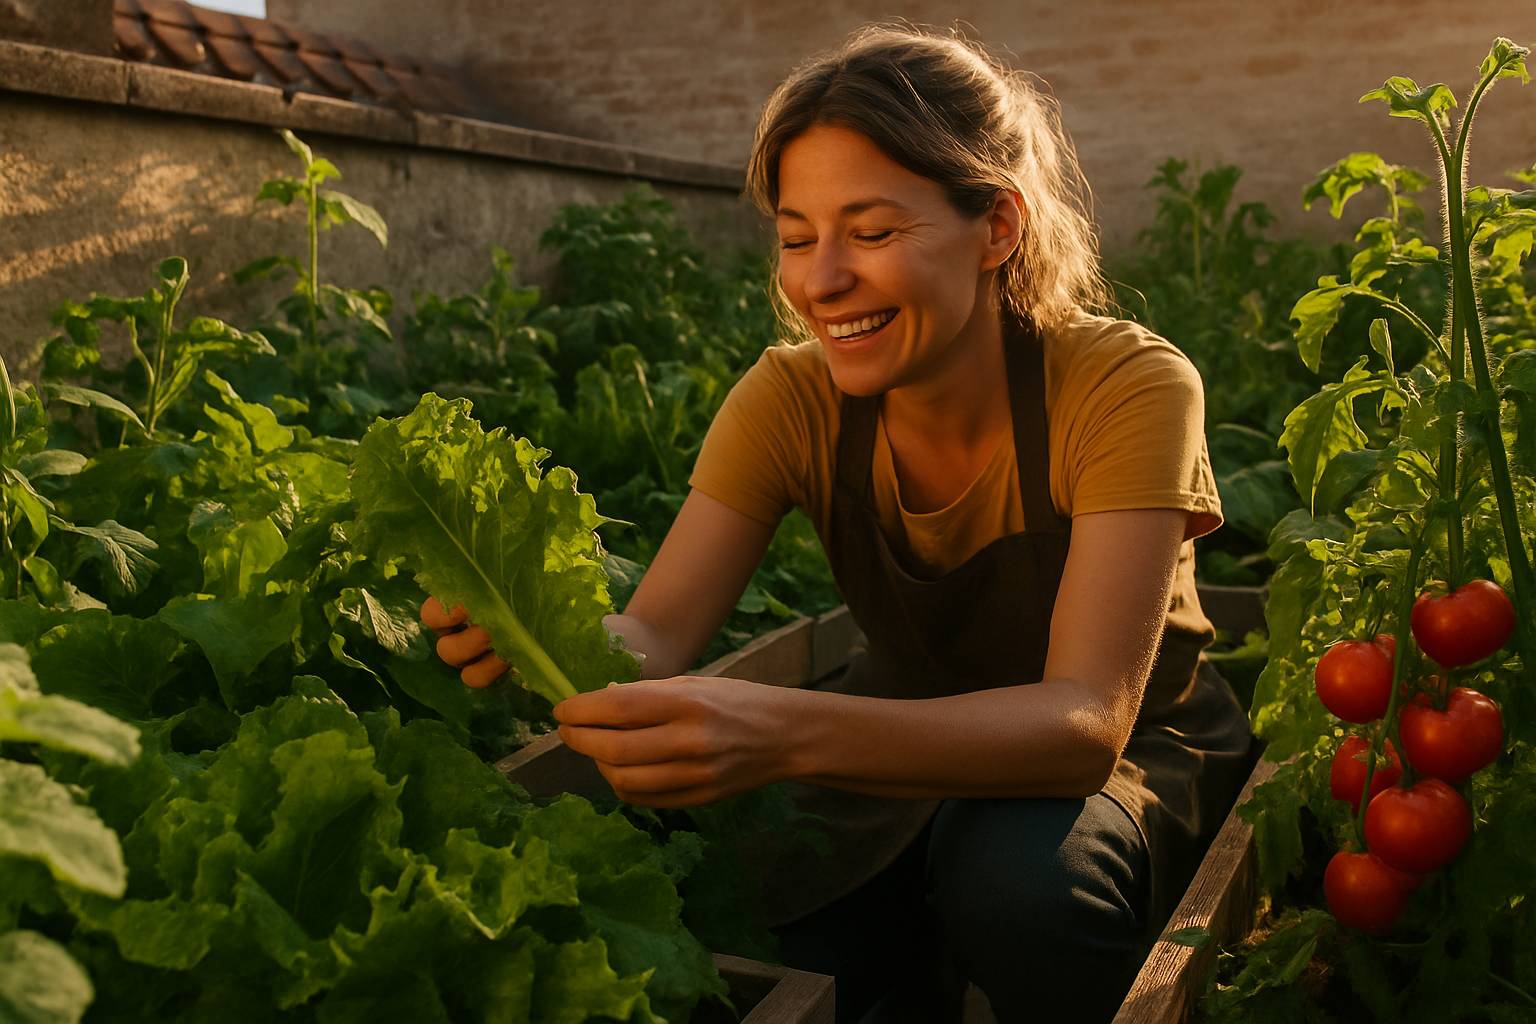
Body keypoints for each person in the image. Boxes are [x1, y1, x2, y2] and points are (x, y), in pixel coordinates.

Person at [423, 22, 1253, 1024]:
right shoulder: (790, 399)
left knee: (1020, 883)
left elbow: (1081, 725)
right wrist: (527, 627)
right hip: (878, 757)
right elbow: (652, 635)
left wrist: (781, 732)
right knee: (772, 934)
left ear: (997, 227)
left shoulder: (1125, 386)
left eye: (871, 232)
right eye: (796, 236)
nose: (820, 282)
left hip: (1121, 761)